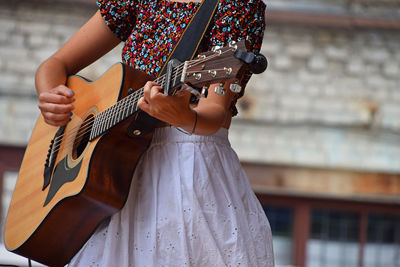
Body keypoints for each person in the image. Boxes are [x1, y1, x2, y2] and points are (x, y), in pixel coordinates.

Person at [35, 0, 274, 266]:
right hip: (114, 173)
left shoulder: (236, 6)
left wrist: (184, 117)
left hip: (186, 167)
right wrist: (51, 95)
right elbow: (55, 64)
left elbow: (214, 114)